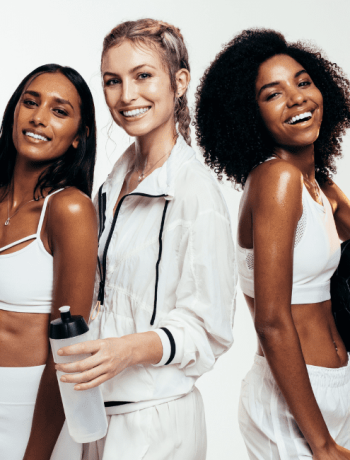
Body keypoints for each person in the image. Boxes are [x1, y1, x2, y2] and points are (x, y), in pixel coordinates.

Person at [55, 18, 237, 460]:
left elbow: (210, 328)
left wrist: (129, 349)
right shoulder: (111, 182)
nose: (126, 96)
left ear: (179, 82)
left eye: (143, 76)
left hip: (157, 423)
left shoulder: (195, 191)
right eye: (112, 81)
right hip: (95, 414)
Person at [194, 29, 350, 459]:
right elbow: (272, 321)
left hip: (332, 389)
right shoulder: (276, 180)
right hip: (295, 405)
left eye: (303, 82)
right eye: (272, 94)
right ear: (250, 115)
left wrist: (327, 185)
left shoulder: (309, 186)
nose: (297, 98)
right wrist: (321, 446)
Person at [0, 63, 98, 460]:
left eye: (60, 111)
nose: (39, 118)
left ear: (79, 137)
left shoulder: (69, 209)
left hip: (27, 410)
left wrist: (35, 455)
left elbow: (70, 350)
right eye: (31, 102)